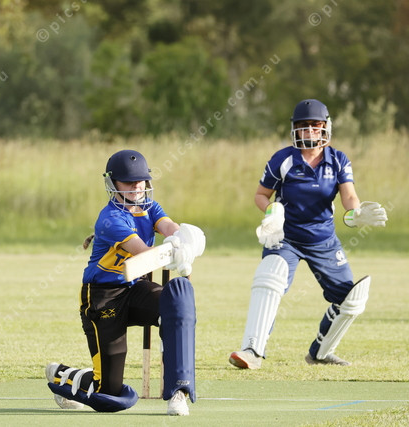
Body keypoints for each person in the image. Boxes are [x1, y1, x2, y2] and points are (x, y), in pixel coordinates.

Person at [229, 99, 388, 370]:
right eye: (304, 126)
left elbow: (349, 197)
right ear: (295, 129)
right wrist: (271, 212)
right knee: (270, 277)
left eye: (316, 125)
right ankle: (252, 350)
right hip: (285, 237)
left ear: (326, 127)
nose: (310, 131)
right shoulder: (283, 159)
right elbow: (260, 195)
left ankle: (321, 353)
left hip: (323, 240)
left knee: (351, 300)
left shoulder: (338, 160)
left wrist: (356, 214)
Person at [45, 149, 206, 415]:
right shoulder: (110, 219)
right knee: (109, 390)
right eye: (128, 182)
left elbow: (170, 228)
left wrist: (186, 239)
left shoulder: (151, 207)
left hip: (135, 287)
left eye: (140, 180)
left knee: (176, 304)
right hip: (102, 295)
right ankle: (65, 375)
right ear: (113, 184)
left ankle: (179, 391)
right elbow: (144, 252)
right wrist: (174, 252)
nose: (136, 186)